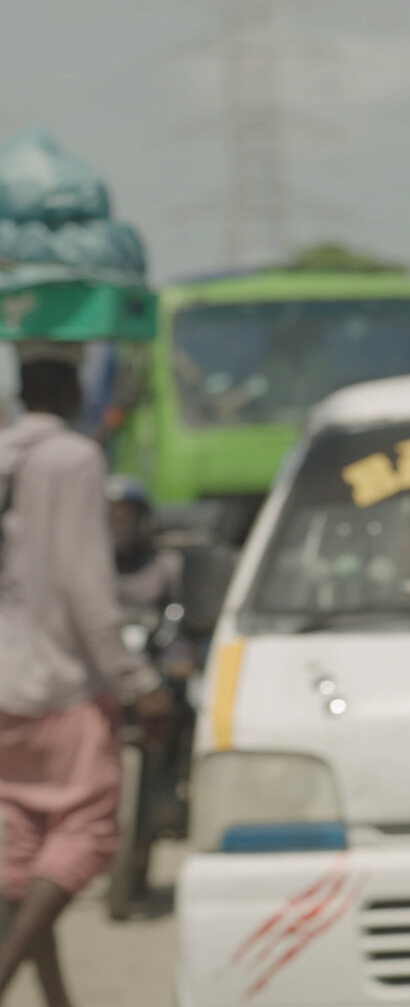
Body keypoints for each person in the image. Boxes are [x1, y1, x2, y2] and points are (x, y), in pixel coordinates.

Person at [0, 358, 174, 1005]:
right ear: (68, 392)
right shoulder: (72, 460)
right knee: (84, 837)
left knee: (25, 861)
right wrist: (136, 682)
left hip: (6, 689)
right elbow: (85, 586)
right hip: (60, 685)